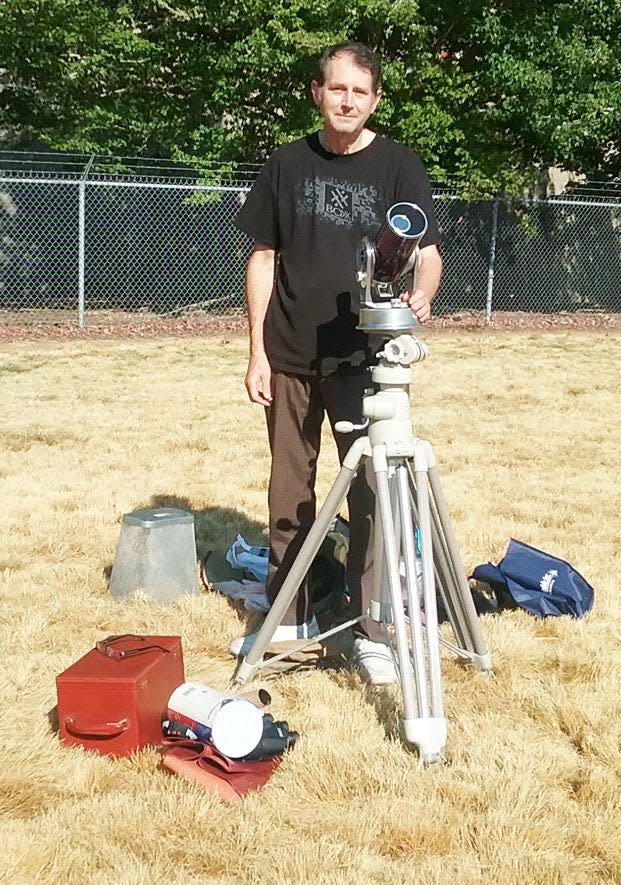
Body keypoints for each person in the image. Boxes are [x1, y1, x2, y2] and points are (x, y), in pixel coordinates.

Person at [231, 41, 443, 684]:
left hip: (365, 363)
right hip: (292, 355)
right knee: (290, 491)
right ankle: (289, 615)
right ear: (317, 94)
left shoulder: (399, 165)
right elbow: (263, 257)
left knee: (377, 493)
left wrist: (420, 298)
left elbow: (426, 251)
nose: (348, 100)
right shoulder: (287, 164)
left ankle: (374, 627)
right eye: (337, 88)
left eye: (360, 91)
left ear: (374, 99)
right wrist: (256, 353)